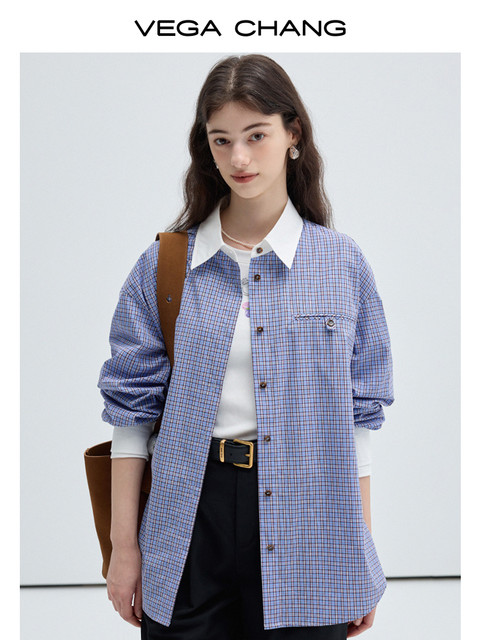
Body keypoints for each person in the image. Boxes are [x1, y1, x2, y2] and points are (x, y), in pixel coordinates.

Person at [98, 54, 394, 640]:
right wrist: (123, 548)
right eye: (222, 139)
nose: (239, 158)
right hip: (188, 517)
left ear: (293, 135)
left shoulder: (341, 265)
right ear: (205, 147)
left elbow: (356, 421)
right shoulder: (165, 265)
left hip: (311, 523)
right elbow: (131, 417)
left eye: (256, 135)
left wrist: (359, 549)